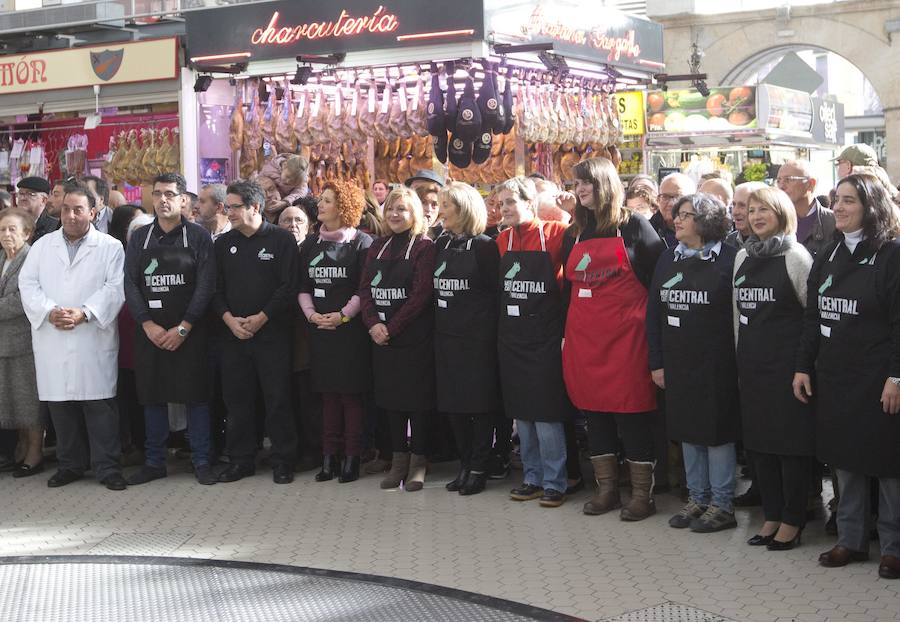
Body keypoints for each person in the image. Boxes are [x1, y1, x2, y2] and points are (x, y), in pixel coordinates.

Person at [793, 173, 900, 580]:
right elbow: (813, 317)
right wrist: (803, 365)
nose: (837, 207)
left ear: (871, 206)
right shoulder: (830, 254)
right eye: (836, 199)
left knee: (889, 466)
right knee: (845, 462)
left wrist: (897, 378)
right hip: (836, 378)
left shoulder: (892, 255)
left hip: (878, 381)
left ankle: (893, 547)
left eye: (849, 200)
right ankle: (851, 540)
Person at [558, 158, 666, 520]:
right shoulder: (573, 232)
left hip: (627, 341)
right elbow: (565, 291)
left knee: (632, 416)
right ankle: (606, 490)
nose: (580, 189)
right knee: (595, 415)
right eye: (576, 184)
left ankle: (641, 495)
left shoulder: (634, 227)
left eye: (586, 182)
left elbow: (659, 282)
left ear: (605, 183)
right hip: (584, 341)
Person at [18, 182, 127, 491]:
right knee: (61, 407)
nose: (70, 215)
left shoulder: (110, 246)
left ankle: (107, 467)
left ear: (92, 212)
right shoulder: (43, 246)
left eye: (78, 209)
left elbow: (115, 288)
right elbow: (28, 285)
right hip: (53, 335)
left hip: (92, 334)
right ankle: (70, 465)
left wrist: (85, 312)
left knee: (99, 407)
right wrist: (49, 311)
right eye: (66, 209)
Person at [647, 193, 740, 532]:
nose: (678, 220)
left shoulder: (731, 259)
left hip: (718, 365)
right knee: (688, 433)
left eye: (686, 215)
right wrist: (656, 362)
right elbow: (654, 313)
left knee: (716, 434)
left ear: (707, 221)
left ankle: (722, 504)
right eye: (677, 214)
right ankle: (697, 498)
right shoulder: (668, 257)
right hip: (677, 362)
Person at [733, 187, 814, 550]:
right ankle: (772, 515)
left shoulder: (796, 257)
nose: (756, 215)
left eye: (764, 208)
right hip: (753, 367)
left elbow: (812, 316)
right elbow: (737, 317)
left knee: (789, 448)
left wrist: (804, 367)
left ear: (782, 212)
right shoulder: (741, 258)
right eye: (751, 210)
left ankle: (793, 520)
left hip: (788, 369)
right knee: (761, 447)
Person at [123, 173, 216, 486]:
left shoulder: (199, 237)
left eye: (170, 194)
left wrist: (185, 326)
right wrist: (147, 324)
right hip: (150, 331)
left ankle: (202, 460)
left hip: (190, 330)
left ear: (183, 200)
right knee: (152, 395)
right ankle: (154, 462)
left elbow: (206, 285)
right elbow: (131, 284)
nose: (163, 200)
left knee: (197, 396)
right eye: (157, 194)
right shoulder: (140, 238)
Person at [212, 180, 298, 484]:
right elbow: (214, 289)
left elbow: (288, 287)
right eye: (227, 207)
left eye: (234, 207)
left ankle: (283, 460)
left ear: (255, 207)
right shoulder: (222, 244)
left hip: (272, 335)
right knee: (237, 401)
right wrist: (230, 321)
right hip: (234, 336)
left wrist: (262, 317)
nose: (229, 212)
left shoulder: (281, 241)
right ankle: (240, 459)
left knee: (277, 399)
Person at [495, 177, 570, 508]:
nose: (505, 209)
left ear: (530, 201)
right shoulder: (500, 241)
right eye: (500, 204)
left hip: (547, 335)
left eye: (511, 202)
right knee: (521, 412)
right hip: (513, 337)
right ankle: (531, 477)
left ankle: (556, 481)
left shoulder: (555, 233)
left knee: (546, 412)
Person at [359, 186, 436, 491]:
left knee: (417, 403)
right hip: (381, 339)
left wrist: (392, 327)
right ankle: (397, 461)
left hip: (413, 338)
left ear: (414, 213)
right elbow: (365, 290)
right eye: (390, 208)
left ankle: (418, 463)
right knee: (390, 401)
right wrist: (373, 324)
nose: (394, 214)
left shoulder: (424, 247)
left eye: (401, 209)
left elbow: (420, 295)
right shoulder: (376, 247)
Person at [299, 180, 373, 484]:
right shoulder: (309, 245)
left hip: (350, 332)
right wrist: (313, 316)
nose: (321, 205)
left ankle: (352, 458)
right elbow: (302, 286)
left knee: (350, 397)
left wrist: (342, 316)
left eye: (328, 200)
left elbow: (363, 288)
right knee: (327, 396)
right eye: (321, 199)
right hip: (319, 329)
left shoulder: (362, 243)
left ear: (344, 206)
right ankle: (328, 458)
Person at [433, 182, 500, 496]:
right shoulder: (440, 245)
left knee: (480, 407)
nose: (440, 211)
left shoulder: (487, 247)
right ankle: (463, 464)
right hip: (447, 338)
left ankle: (479, 466)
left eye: (445, 205)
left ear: (463, 209)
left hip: (477, 341)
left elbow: (495, 294)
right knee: (454, 405)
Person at [0, 209, 44, 477]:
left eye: (12, 229)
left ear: (27, 233)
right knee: (10, 400)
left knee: (29, 400)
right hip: (3, 342)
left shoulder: (31, 259)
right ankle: (21, 447)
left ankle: (35, 451)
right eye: (2, 229)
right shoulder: (2, 258)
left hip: (24, 341)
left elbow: (22, 300)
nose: (6, 235)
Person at [775, 160, 835, 257]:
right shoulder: (774, 222)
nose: (781, 186)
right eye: (778, 180)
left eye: (788, 179)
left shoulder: (834, 222)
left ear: (811, 184)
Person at [259, 154, 311, 222]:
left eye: (293, 181)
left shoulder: (301, 181)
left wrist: (285, 202)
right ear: (284, 165)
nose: (287, 181)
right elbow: (260, 182)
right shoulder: (270, 169)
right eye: (287, 176)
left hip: (285, 203)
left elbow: (300, 193)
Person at [652, 173, 696, 248]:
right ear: (658, 199)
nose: (671, 203)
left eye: (678, 197)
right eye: (665, 197)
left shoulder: (702, 231)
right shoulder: (649, 230)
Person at [15, 177, 59, 242]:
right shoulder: (11, 222)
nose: (23, 198)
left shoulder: (55, 227)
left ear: (43, 200)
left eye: (30, 194)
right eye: (21, 193)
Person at [725, 181, 767, 250]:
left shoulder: (772, 244)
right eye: (734, 204)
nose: (735, 212)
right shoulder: (728, 241)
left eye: (742, 205)